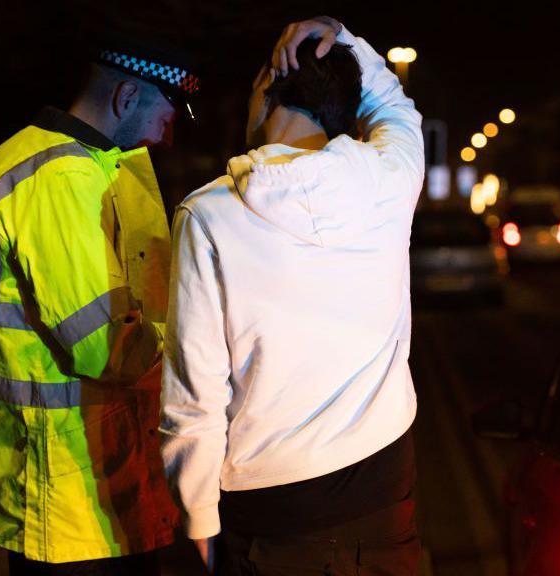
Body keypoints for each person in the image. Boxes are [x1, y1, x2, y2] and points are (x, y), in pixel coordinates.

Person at [159, 17, 425, 576]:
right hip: (384, 514)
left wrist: (200, 526)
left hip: (271, 526)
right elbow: (397, 108)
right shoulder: (390, 181)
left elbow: (194, 402)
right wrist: (339, 37)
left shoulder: (208, 216)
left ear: (265, 90)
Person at [0, 35, 200, 575]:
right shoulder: (58, 179)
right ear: (127, 96)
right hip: (67, 490)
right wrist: (199, 341)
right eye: (166, 111)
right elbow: (103, 345)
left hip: (61, 478)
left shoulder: (41, 160)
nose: (168, 132)